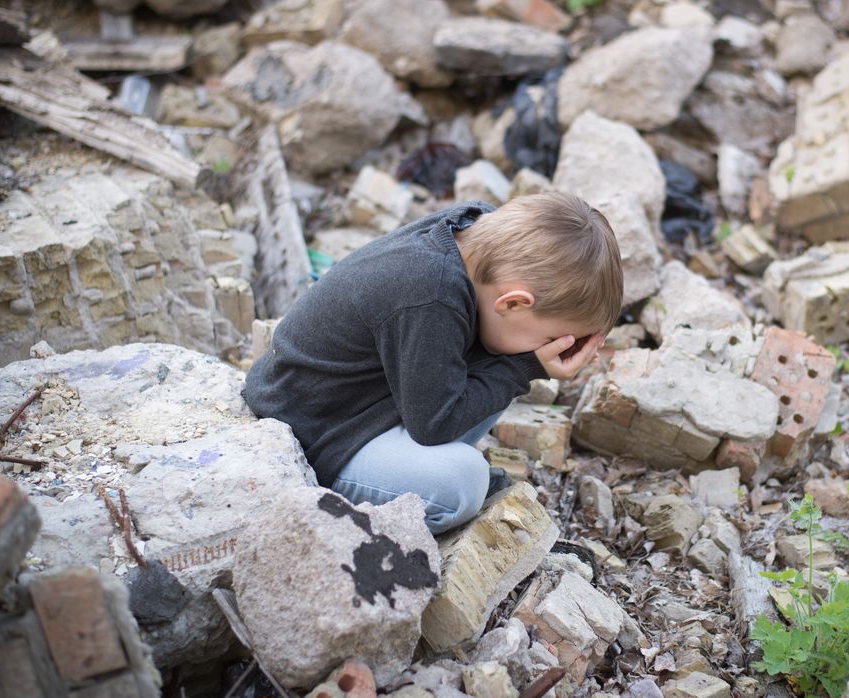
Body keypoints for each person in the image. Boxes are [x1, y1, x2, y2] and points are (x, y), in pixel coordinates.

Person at [244, 191, 624, 534]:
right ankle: (347, 507)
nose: (554, 348)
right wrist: (525, 368)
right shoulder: (432, 297)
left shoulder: (477, 237)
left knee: (507, 355)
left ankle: (401, 468)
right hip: (314, 434)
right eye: (550, 337)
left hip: (367, 404)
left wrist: (525, 358)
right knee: (463, 482)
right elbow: (435, 426)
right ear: (512, 302)